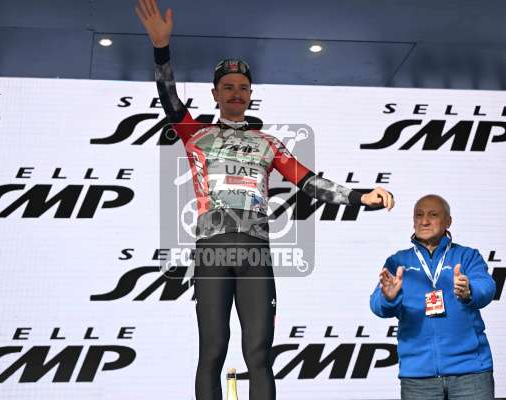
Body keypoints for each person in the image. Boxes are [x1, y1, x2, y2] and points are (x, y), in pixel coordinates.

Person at [135, 1, 395, 399]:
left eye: (243, 88)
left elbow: (311, 184)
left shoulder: (268, 143)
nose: (236, 94)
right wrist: (161, 49)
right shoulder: (195, 134)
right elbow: (169, 98)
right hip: (212, 253)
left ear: (251, 95)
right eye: (228, 87)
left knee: (258, 354)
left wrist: (362, 196)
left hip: (256, 252)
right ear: (215, 94)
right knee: (212, 352)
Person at [370, 194, 496, 400]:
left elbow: (487, 287)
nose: (424, 221)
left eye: (433, 215)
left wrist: (469, 291)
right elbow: (376, 305)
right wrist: (388, 298)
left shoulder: (467, 256)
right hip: (418, 377)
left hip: (471, 372)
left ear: (448, 221)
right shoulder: (397, 261)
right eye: (419, 215)